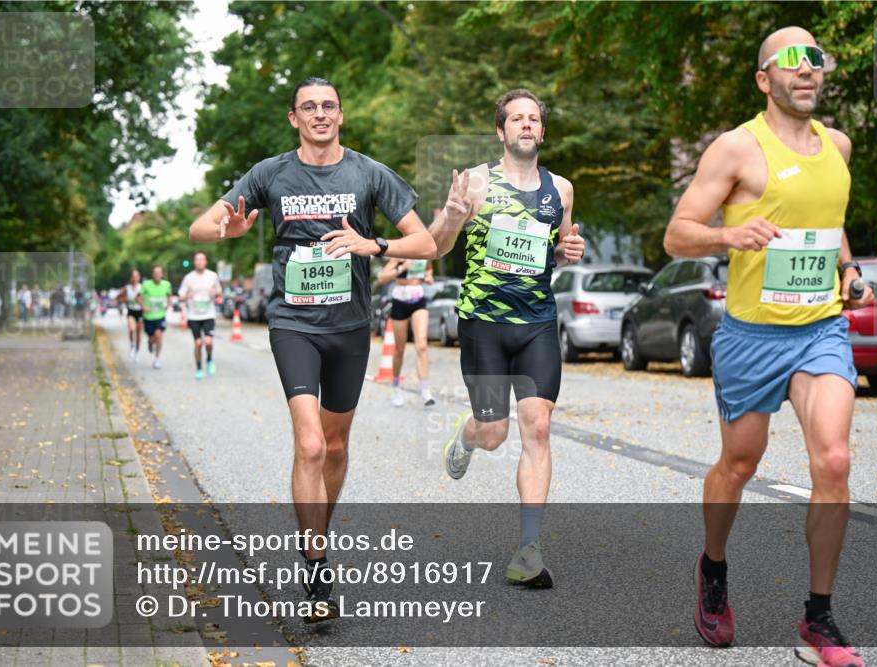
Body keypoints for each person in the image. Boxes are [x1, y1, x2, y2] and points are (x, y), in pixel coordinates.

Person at [661, 26, 873, 666]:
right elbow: (677, 235)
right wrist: (731, 236)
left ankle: (818, 619)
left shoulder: (838, 145)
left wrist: (850, 272)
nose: (806, 69)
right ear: (765, 79)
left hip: (820, 330)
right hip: (752, 335)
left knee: (833, 462)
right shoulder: (735, 149)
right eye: (790, 60)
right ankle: (715, 569)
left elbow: (830, 226)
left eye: (815, 58)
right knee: (739, 465)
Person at [189, 77, 435, 620]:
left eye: (328, 106)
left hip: (348, 328)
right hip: (292, 324)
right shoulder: (270, 173)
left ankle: (317, 528)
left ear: (341, 115)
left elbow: (427, 241)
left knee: (337, 445)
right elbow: (199, 228)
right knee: (310, 445)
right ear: (294, 118)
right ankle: (317, 564)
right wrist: (224, 231)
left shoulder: (369, 173)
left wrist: (374, 244)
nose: (320, 114)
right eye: (309, 107)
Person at [428, 89, 585, 589]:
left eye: (533, 119)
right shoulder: (474, 181)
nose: (525, 125)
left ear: (542, 131)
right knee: (495, 434)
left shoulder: (560, 189)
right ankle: (468, 435)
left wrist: (568, 252)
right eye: (516, 118)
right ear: (501, 131)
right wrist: (452, 214)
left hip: (537, 320)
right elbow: (437, 245)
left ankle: (529, 550)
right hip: (484, 324)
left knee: (536, 428)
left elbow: (551, 254)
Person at [377, 257, 436, 407]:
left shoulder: (423, 253)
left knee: (422, 345)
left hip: (419, 301)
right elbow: (382, 277)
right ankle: (396, 387)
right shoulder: (399, 255)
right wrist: (402, 267)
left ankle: (425, 391)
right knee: (399, 349)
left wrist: (429, 276)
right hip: (400, 301)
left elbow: (429, 268)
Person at [178, 251, 223, 380]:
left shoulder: (212, 276)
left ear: (206, 261)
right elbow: (180, 296)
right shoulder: (188, 278)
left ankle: (209, 359)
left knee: (208, 342)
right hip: (193, 316)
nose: (199, 262)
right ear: (194, 262)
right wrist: (187, 296)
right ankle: (199, 368)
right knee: (198, 343)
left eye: (202, 259)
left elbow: (220, 293)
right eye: (197, 260)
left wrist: (215, 292)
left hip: (209, 315)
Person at [139, 266, 172, 370]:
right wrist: (143, 306)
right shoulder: (146, 284)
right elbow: (138, 297)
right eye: (155, 273)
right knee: (152, 338)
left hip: (160, 315)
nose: (157, 275)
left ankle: (157, 359)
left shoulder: (167, 284)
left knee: (159, 335)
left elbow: (169, 296)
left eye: (159, 273)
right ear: (152, 274)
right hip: (148, 316)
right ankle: (150, 342)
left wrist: (168, 304)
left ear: (162, 274)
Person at [122, 270, 144, 361]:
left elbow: (145, 299)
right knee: (132, 328)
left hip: (140, 312)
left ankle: (137, 351)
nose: (135, 278)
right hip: (131, 311)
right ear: (131, 278)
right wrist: (125, 300)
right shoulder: (127, 288)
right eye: (133, 276)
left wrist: (141, 301)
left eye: (136, 276)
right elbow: (122, 297)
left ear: (139, 277)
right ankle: (132, 345)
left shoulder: (142, 288)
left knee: (138, 333)